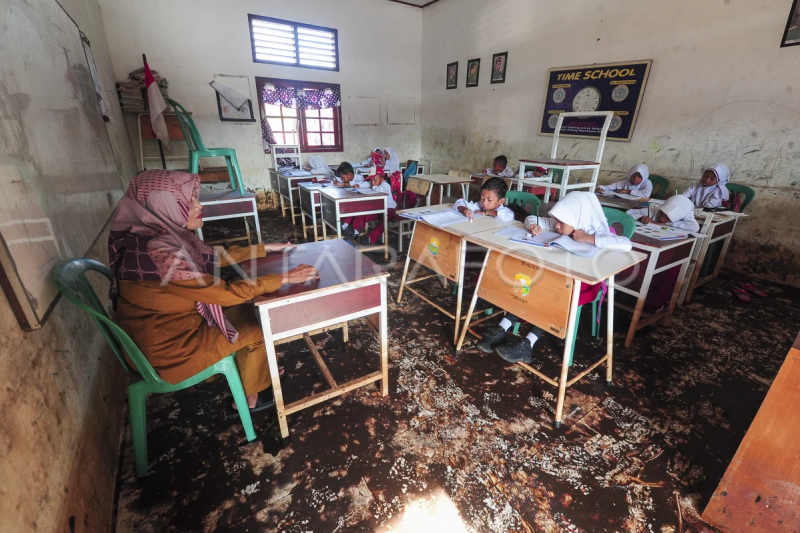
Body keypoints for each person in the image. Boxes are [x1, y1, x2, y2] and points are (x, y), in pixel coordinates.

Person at [108, 170, 319, 412]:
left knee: (245, 309)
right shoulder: (160, 252)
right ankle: (253, 397)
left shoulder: (154, 235)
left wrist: (262, 248)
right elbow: (226, 293)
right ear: (163, 205)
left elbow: (210, 256)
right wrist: (284, 278)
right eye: (189, 201)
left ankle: (257, 367)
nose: (199, 205)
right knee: (256, 329)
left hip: (171, 326)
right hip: (168, 350)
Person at [477, 192, 631, 363]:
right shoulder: (565, 222)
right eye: (557, 221)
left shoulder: (597, 231)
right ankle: (502, 327)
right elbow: (531, 218)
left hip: (582, 284)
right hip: (555, 274)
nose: (557, 226)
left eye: (561, 223)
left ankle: (528, 342)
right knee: (528, 283)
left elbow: (626, 244)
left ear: (576, 218)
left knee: (548, 292)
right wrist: (534, 225)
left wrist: (588, 238)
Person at [341, 169, 398, 245]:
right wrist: (359, 185)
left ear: (382, 179)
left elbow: (380, 190)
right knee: (363, 211)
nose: (373, 182)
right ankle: (355, 230)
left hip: (389, 208)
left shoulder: (386, 185)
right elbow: (366, 184)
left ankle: (370, 238)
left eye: (375, 180)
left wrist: (373, 187)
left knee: (384, 220)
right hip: (378, 209)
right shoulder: (373, 183)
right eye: (371, 180)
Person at [626, 194, 700, 232]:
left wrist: (667, 224)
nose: (661, 219)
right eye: (661, 213)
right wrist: (641, 217)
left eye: (668, 218)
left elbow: (695, 228)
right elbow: (629, 212)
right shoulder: (656, 210)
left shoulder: (686, 217)